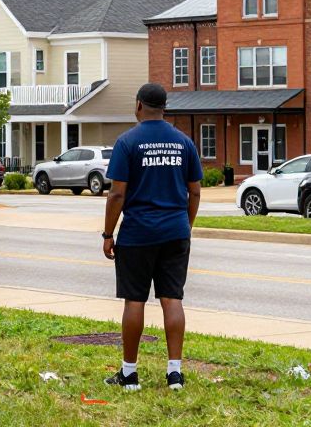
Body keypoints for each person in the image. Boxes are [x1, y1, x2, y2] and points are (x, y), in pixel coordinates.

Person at [102, 83, 202, 391]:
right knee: (172, 298)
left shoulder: (127, 142)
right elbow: (195, 191)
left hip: (138, 233)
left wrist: (108, 233)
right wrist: (185, 225)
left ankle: (129, 373)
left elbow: (117, 193)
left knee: (135, 300)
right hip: (175, 231)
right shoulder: (184, 142)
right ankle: (175, 373)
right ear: (164, 108)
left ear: (138, 105)